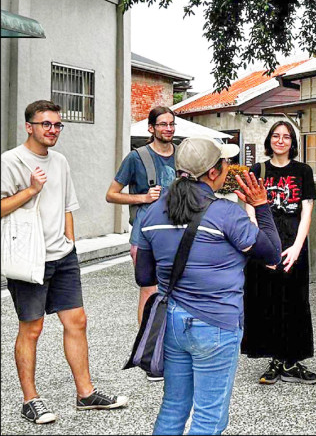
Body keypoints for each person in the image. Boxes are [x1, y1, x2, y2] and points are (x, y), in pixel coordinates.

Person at [134, 137, 282, 435]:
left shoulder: (151, 213)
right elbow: (272, 254)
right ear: (213, 173)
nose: (228, 168)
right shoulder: (225, 214)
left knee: (174, 406)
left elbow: (144, 277)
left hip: (174, 322)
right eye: (225, 163)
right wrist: (262, 207)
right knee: (209, 415)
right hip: (217, 323)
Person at [1, 100, 129, 425]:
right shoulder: (10, 161)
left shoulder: (60, 161)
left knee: (77, 321)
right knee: (32, 329)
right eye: (46, 124)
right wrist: (31, 190)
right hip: (29, 256)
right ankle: (30, 400)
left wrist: (69, 241)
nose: (53, 130)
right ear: (29, 126)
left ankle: (85, 394)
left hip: (63, 255)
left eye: (58, 125)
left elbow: (68, 204)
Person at [241, 121, 316, 385]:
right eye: (276, 136)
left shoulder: (303, 171)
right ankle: (274, 359)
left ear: (293, 142)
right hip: (264, 242)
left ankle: (292, 360)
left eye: (286, 137)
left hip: (293, 242)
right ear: (269, 140)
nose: (281, 141)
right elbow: (250, 208)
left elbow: (307, 209)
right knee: (266, 300)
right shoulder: (258, 169)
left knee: (295, 301)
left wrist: (297, 247)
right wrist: (262, 245)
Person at [106, 106, 177, 382]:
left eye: (171, 124)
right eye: (162, 124)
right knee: (150, 291)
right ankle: (149, 355)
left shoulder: (183, 155)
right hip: (145, 236)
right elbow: (111, 195)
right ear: (151, 128)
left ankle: (171, 351)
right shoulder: (136, 158)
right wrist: (143, 198)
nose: (168, 128)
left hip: (178, 234)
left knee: (178, 291)